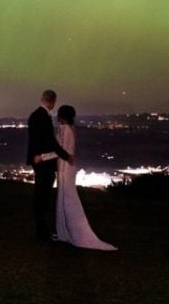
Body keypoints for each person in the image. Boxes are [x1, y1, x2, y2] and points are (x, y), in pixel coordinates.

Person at [52, 105, 117, 251]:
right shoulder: (72, 128)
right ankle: (66, 233)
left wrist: (42, 157)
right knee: (68, 197)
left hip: (64, 167)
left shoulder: (63, 129)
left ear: (61, 116)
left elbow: (59, 151)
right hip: (69, 168)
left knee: (66, 199)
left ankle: (68, 233)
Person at [27, 90, 72, 243]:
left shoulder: (34, 115)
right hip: (43, 162)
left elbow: (35, 139)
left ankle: (42, 230)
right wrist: (66, 156)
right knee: (43, 196)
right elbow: (51, 141)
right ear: (53, 102)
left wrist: (35, 156)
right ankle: (42, 233)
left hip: (37, 160)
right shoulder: (44, 117)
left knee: (40, 195)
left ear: (42, 99)